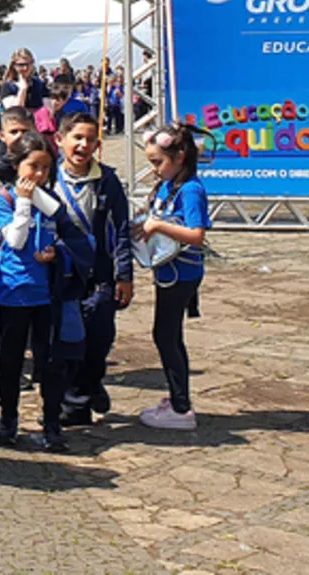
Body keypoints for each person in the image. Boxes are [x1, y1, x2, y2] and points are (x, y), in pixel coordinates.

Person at [0, 133, 85, 454]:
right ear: (17, 166)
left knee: (50, 361)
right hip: (14, 291)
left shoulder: (51, 200)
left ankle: (52, 422)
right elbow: (14, 240)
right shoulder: (3, 198)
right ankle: (7, 419)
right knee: (10, 361)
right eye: (33, 167)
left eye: (46, 168)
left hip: (47, 294)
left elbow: (71, 235)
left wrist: (57, 253)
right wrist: (25, 202)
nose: (39, 175)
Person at [54, 112, 134, 426]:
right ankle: (75, 403)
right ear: (60, 140)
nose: (82, 145)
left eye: (89, 140)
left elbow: (123, 230)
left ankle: (90, 385)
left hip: (100, 276)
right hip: (62, 276)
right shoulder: (48, 179)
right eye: (77, 138)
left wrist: (124, 275)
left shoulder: (108, 181)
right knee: (68, 342)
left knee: (99, 339)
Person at [135, 123, 211, 430]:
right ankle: (177, 398)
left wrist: (157, 227)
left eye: (158, 162)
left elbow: (196, 234)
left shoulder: (191, 189)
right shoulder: (170, 184)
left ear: (180, 157)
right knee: (168, 335)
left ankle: (181, 408)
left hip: (182, 273)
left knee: (166, 336)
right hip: (167, 269)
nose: (154, 169)